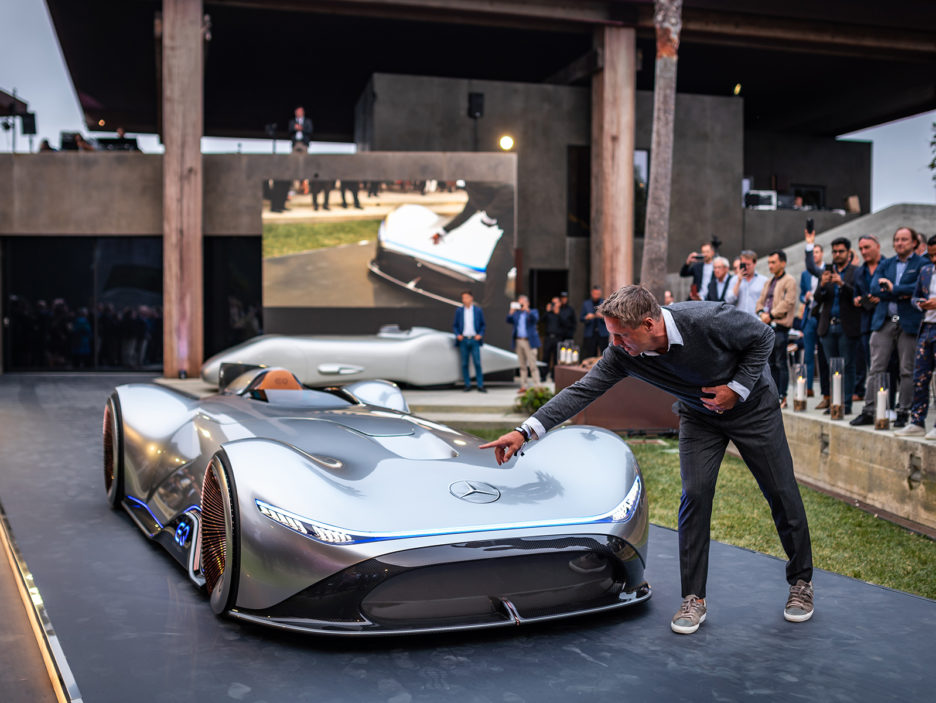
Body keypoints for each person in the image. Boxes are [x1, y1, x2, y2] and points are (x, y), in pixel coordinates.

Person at [479, 285, 814, 634]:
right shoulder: (623, 354)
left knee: (780, 490)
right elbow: (581, 391)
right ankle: (694, 598)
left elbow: (763, 336)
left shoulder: (706, 320)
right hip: (700, 416)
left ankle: (802, 582)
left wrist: (737, 388)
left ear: (650, 325)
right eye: (612, 335)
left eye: (622, 335)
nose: (615, 344)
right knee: (695, 495)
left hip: (753, 409)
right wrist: (523, 432)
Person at [851, 227, 927, 427]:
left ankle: (903, 412)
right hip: (884, 321)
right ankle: (869, 411)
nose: (900, 243)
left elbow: (919, 289)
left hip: (908, 323)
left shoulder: (923, 264)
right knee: (876, 368)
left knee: (906, 370)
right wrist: (898, 292)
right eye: (897, 240)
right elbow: (875, 288)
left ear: (913, 243)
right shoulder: (886, 263)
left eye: (904, 239)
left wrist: (894, 289)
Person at [806, 236, 861, 416]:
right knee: (832, 367)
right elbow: (817, 299)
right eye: (835, 252)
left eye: (841, 251)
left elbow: (859, 295)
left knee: (848, 366)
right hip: (827, 326)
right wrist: (822, 285)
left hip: (847, 325)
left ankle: (846, 403)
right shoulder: (826, 272)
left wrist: (842, 284)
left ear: (848, 253)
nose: (837, 255)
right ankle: (834, 402)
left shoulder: (856, 272)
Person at [895, 234, 936, 437]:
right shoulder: (926, 270)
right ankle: (917, 421)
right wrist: (919, 303)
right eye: (931, 255)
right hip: (926, 326)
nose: (934, 259)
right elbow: (914, 297)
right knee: (920, 376)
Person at [756, 250, 797, 407]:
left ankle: (782, 396)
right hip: (767, 326)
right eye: (769, 263)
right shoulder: (769, 281)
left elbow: (789, 302)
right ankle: (772, 395)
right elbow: (760, 302)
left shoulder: (789, 280)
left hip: (780, 327)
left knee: (780, 362)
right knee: (770, 363)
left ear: (783, 263)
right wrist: (761, 313)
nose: (770, 266)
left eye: (773, 262)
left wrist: (771, 315)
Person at [852, 234, 884, 402]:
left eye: (867, 247)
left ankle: (887, 403)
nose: (864, 251)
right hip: (865, 323)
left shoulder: (888, 266)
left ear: (877, 246)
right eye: (861, 248)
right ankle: (874, 402)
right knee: (870, 365)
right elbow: (855, 295)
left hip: (886, 323)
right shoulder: (859, 272)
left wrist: (882, 297)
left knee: (886, 365)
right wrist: (857, 300)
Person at [799, 243, 829, 402]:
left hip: (824, 316)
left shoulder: (827, 271)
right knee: (808, 355)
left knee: (824, 355)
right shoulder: (805, 274)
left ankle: (827, 392)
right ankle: (808, 387)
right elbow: (801, 295)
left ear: (822, 253)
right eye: (813, 253)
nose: (815, 255)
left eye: (817, 252)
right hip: (810, 316)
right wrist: (806, 297)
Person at [453, 290, 486, 392]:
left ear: (471, 298)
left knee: (477, 362)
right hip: (463, 340)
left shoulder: (477, 310)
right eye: (463, 298)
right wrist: (458, 334)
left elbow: (482, 325)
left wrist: (480, 334)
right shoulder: (459, 311)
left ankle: (480, 385)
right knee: (464, 363)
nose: (464, 300)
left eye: (466, 297)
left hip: (474, 340)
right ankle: (467, 385)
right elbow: (455, 325)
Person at [506, 295, 541, 389]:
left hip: (529, 342)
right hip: (518, 341)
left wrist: (527, 310)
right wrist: (511, 311)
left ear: (527, 303)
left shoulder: (533, 311)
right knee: (522, 365)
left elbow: (535, 319)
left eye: (523, 302)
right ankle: (524, 386)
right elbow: (508, 320)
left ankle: (537, 385)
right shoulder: (517, 313)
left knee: (533, 365)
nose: (521, 304)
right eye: (520, 302)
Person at [725, 250, 767, 317]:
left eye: (748, 264)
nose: (746, 267)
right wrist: (738, 281)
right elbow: (728, 300)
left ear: (755, 263)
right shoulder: (734, 279)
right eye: (744, 264)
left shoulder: (763, 281)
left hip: (756, 321)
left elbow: (766, 304)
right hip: (738, 321)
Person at [580, 286, 609, 358]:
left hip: (602, 333)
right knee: (590, 354)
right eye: (595, 293)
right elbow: (581, 318)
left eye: (598, 294)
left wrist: (602, 316)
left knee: (604, 354)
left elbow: (610, 317)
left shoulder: (605, 302)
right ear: (591, 293)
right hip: (590, 333)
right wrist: (586, 317)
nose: (596, 295)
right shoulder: (586, 303)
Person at [542, 296, 563, 380]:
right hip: (548, 337)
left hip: (558, 338)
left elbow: (566, 324)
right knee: (545, 357)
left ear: (559, 303)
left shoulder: (562, 313)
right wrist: (547, 311)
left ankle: (554, 376)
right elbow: (542, 320)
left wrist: (558, 314)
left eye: (555, 303)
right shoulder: (549, 313)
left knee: (556, 358)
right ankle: (543, 375)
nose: (553, 304)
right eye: (552, 303)